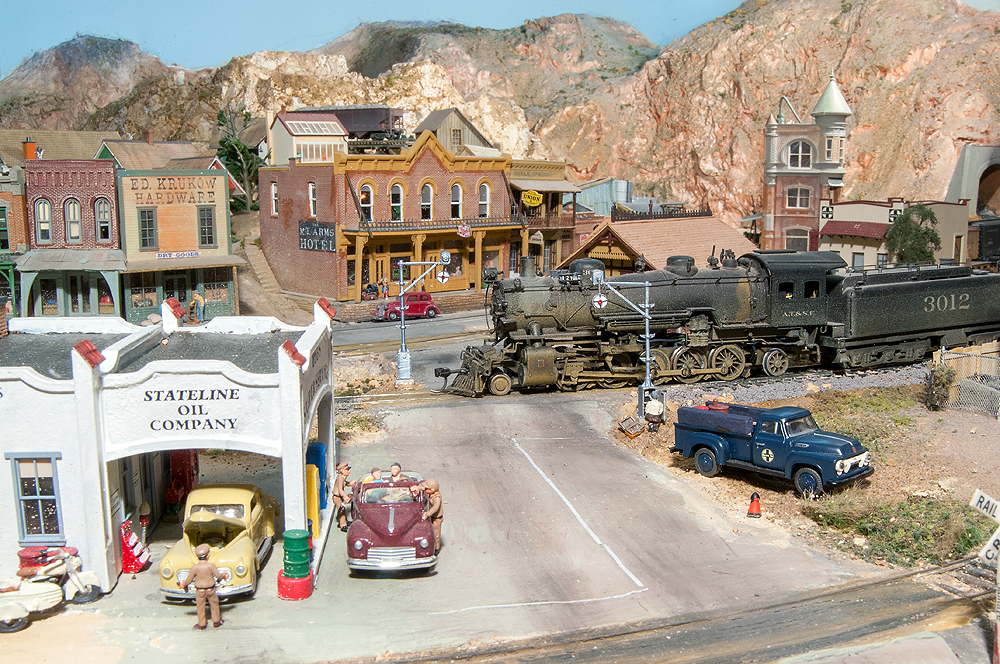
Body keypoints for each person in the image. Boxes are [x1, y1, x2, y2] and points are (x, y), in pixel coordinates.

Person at [178, 543, 229, 630]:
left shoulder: (194, 568)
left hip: (200, 591)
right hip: (211, 590)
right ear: (208, 555)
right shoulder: (211, 566)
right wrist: (224, 575)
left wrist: (183, 583)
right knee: (214, 605)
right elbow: (219, 576)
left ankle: (202, 624)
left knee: (200, 607)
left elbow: (188, 581)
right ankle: (216, 621)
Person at [420, 479, 444, 554]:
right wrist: (417, 488)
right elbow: (423, 488)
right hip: (432, 517)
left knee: (436, 534)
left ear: (432, 490)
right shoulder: (432, 493)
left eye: (427, 489)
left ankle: (436, 549)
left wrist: (427, 514)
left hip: (437, 519)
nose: (426, 490)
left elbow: (435, 508)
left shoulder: (437, 498)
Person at [332, 462, 354, 532]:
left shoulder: (342, 477)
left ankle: (344, 522)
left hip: (339, 496)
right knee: (341, 510)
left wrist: (350, 483)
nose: (349, 471)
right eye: (347, 470)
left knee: (342, 510)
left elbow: (345, 483)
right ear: (343, 471)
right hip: (337, 497)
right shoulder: (340, 478)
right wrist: (345, 496)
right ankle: (343, 525)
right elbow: (340, 489)